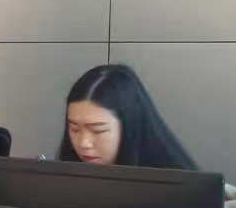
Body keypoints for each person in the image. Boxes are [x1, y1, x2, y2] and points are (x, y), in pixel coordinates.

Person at [58, 64, 197, 170]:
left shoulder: (173, 183)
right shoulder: (64, 175)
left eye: (98, 131)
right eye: (74, 129)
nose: (84, 143)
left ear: (129, 126)